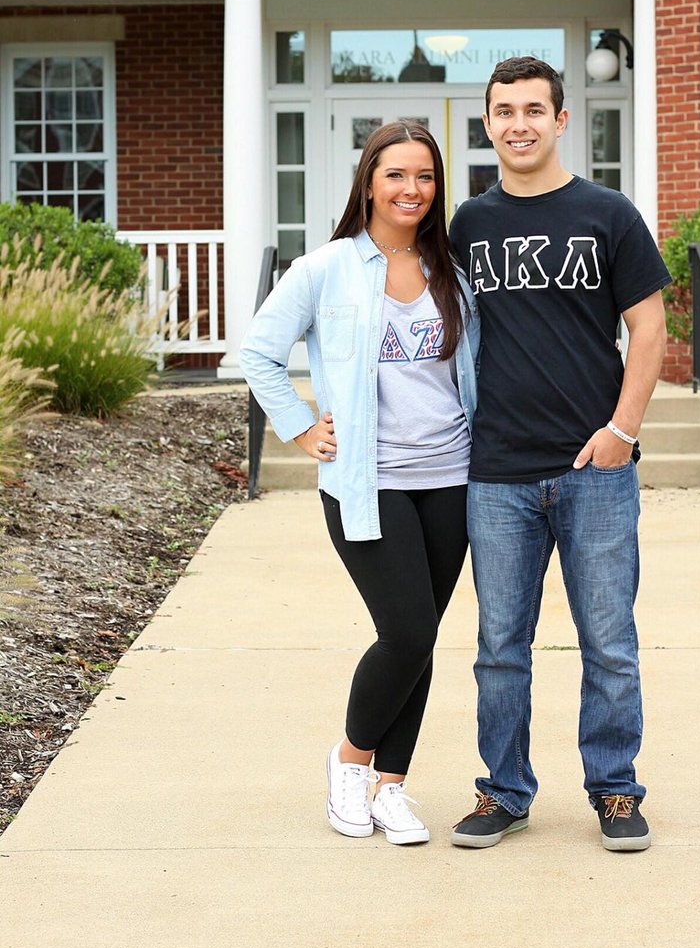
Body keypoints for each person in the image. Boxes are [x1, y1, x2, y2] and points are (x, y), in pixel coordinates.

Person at [448, 56, 671, 852]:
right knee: (499, 648)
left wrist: (622, 432)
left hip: (595, 472)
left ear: (561, 120)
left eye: (534, 110)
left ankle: (615, 790)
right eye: (504, 110)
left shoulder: (608, 214)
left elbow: (650, 328)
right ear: (488, 123)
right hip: (498, 472)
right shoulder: (469, 224)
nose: (519, 123)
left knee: (608, 640)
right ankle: (503, 791)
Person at [240, 120, 479, 846]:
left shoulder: (454, 271)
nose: (412, 189)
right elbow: (257, 351)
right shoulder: (326, 269)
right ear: (369, 181)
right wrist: (302, 427)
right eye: (397, 175)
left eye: (426, 177)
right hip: (366, 483)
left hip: (452, 478)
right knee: (405, 630)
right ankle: (349, 759)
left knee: (424, 637)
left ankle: (391, 789)